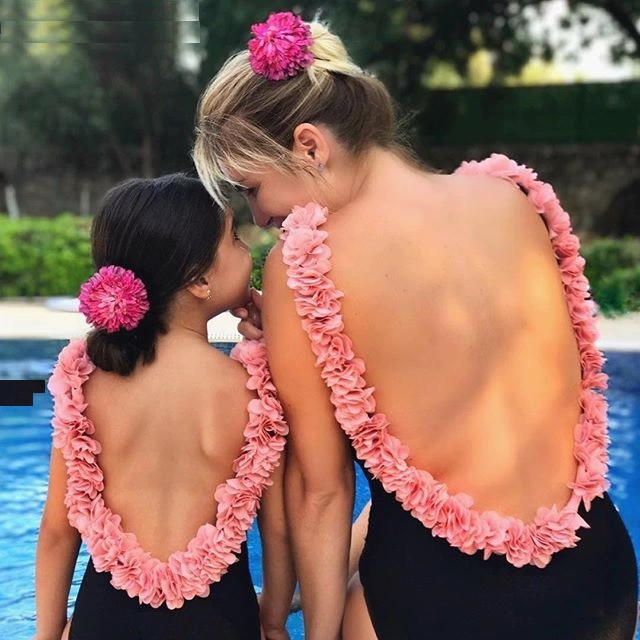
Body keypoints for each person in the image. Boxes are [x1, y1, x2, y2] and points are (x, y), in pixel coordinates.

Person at [192, 11, 639, 640]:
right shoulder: (512, 198)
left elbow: (322, 493)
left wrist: (307, 630)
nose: (259, 215)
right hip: (599, 580)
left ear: (309, 146)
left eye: (251, 187)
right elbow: (457, 420)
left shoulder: (304, 263)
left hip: (445, 603)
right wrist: (298, 331)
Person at [33, 174, 294, 640]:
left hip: (105, 620)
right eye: (234, 239)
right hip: (222, 621)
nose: (247, 249)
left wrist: (47, 634)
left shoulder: (87, 381)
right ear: (198, 279)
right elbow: (277, 531)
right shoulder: (251, 388)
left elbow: (57, 530)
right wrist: (273, 623)